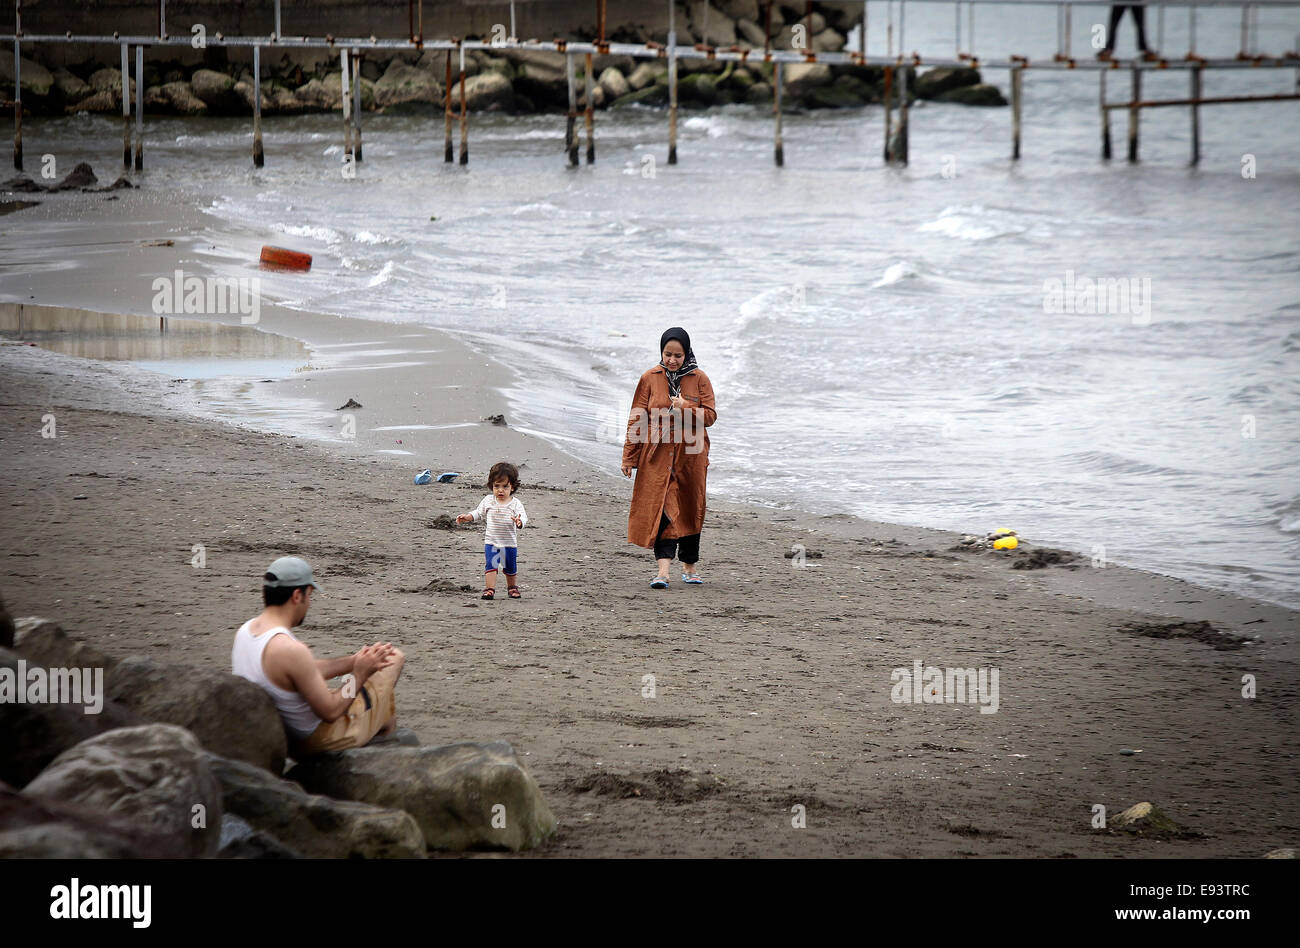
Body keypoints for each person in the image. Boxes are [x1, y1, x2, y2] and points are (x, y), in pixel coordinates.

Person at [231, 556, 405, 756]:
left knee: (378, 700)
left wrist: (353, 661)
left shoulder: (247, 631)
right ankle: (383, 758)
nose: (309, 603)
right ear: (297, 596)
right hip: (320, 736)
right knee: (392, 659)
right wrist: (358, 675)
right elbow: (331, 712)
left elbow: (304, 671)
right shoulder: (290, 649)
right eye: (309, 595)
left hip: (284, 731)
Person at [621, 327, 717, 588]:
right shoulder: (650, 378)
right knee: (662, 511)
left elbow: (710, 416)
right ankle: (663, 572)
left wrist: (686, 406)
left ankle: (690, 567)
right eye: (668, 354)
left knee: (689, 509)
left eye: (678, 355)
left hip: (692, 456)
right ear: (661, 352)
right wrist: (629, 458)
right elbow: (637, 419)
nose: (672, 360)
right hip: (657, 455)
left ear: (687, 354)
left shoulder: (700, 378)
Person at [456, 461, 529, 600]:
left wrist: (520, 523)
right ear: (491, 485)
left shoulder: (515, 503)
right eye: (497, 486)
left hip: (509, 543)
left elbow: (523, 518)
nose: (500, 490)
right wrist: (468, 517)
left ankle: (512, 587)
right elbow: (478, 513)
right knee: (491, 565)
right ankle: (490, 589)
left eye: (505, 486)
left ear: (512, 486)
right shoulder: (488, 500)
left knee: (510, 568)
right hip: (492, 542)